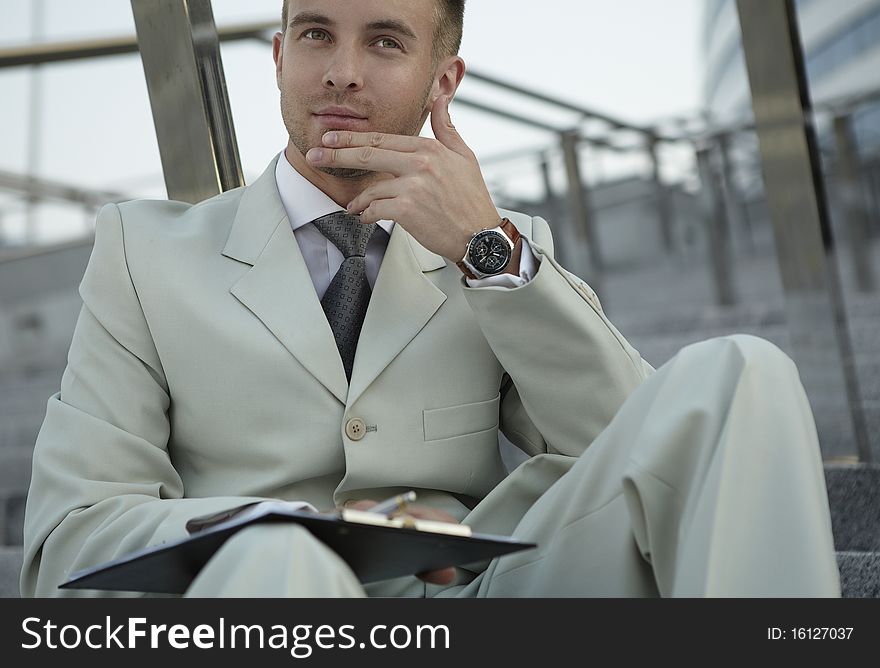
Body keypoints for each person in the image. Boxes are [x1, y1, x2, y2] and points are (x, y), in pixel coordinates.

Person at [21, 0, 840, 598]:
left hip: (480, 597)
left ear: (441, 80)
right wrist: (290, 531)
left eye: (384, 41)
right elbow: (70, 538)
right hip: (267, 604)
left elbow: (642, 445)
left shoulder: (499, 245)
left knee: (743, 371)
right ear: (278, 58)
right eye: (316, 34)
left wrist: (487, 254)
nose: (341, 70)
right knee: (282, 567)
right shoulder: (142, 251)